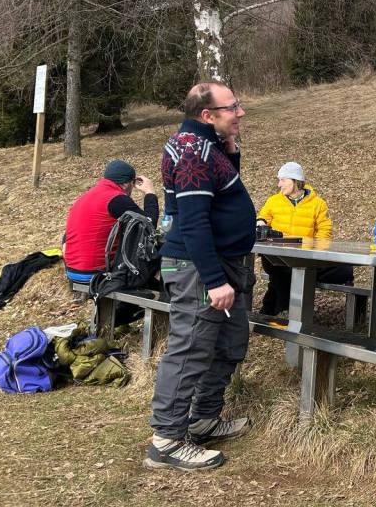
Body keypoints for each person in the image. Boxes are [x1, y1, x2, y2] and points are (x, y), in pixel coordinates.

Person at [146, 82, 257, 471]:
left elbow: (222, 194)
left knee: (230, 342)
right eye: (232, 108)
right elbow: (192, 222)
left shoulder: (206, 145)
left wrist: (232, 149)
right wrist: (214, 280)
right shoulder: (193, 151)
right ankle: (167, 440)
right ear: (207, 115)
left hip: (222, 263)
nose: (240, 113)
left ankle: (203, 419)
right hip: (199, 269)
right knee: (190, 348)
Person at [63, 160, 159, 324]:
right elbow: (148, 225)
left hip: (73, 272)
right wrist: (150, 193)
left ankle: (123, 314)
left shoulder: (86, 197)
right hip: (96, 274)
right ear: (127, 184)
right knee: (158, 253)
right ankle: (140, 310)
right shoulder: (116, 199)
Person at [256, 162, 350, 317]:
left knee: (291, 271)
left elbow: (324, 232)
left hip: (303, 256)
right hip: (276, 254)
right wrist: (260, 223)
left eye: (283, 180)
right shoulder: (273, 201)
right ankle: (283, 311)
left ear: (295, 181)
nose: (279, 184)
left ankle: (274, 311)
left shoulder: (318, 204)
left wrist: (315, 251)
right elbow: (263, 218)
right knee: (280, 267)